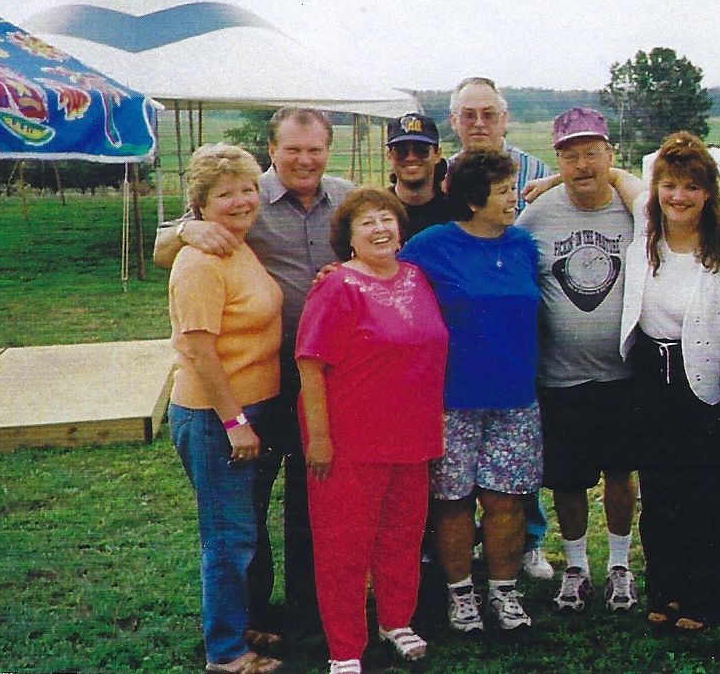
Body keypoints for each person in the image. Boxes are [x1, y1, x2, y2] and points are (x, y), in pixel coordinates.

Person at [154, 107, 355, 636]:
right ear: (273, 150)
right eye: (293, 149)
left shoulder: (346, 197)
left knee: (314, 493)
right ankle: (252, 613)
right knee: (248, 504)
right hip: (255, 379)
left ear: (328, 150)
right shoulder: (241, 195)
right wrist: (189, 230)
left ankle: (311, 606)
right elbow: (161, 249)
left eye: (315, 149)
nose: (304, 160)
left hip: (325, 377)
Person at [295, 188, 447, 674]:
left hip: (412, 434)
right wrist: (319, 438)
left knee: (402, 535)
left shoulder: (416, 277)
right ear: (348, 237)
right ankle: (344, 647)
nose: (380, 229)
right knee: (344, 546)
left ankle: (396, 621)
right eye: (367, 223)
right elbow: (310, 364)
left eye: (387, 219)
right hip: (350, 441)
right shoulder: (336, 286)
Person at [399, 148, 542, 633]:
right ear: (474, 198)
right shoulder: (431, 245)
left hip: (515, 398)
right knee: (452, 500)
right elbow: (387, 280)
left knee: (507, 500)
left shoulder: (524, 245)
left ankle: (504, 592)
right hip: (449, 399)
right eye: (504, 191)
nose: (514, 199)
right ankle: (460, 594)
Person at [516, 107, 642, 614]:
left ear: (610, 156)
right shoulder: (537, 216)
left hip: (624, 374)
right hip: (560, 376)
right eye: (570, 155)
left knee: (620, 471)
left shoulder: (634, 209)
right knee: (567, 479)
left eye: (592, 152)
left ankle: (619, 565)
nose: (582, 164)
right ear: (557, 160)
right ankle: (575, 566)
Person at [167, 144, 283, 674]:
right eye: (224, 194)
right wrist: (234, 421)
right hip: (217, 416)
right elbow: (197, 349)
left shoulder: (238, 244)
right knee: (227, 536)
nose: (240, 201)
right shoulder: (199, 261)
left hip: (255, 407)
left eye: (246, 189)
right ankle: (227, 654)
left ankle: (242, 623)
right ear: (200, 204)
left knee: (247, 526)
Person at [618, 131, 720, 633]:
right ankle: (664, 588)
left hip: (706, 378)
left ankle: (704, 596)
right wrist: (552, 181)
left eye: (691, 187)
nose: (679, 197)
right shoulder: (646, 233)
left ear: (709, 193)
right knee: (660, 488)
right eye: (669, 185)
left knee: (709, 493)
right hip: (651, 375)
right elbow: (614, 175)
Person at [447, 76, 553, 579]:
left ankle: (526, 544)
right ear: (455, 122)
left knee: (516, 462)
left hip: (520, 334)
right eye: (469, 115)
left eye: (488, 114)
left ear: (505, 118)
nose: (479, 123)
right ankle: (459, 556)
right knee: (455, 475)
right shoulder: (446, 175)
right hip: (465, 341)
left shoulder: (538, 174)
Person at [386, 112, 455, 239]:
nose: (411, 157)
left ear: (437, 154)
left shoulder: (456, 213)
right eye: (401, 151)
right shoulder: (378, 210)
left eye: (421, 150)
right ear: (389, 156)